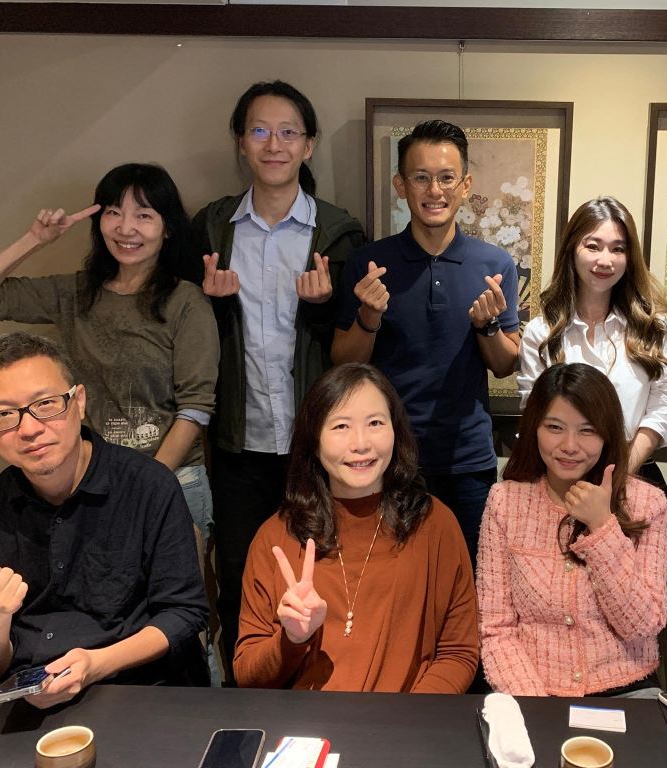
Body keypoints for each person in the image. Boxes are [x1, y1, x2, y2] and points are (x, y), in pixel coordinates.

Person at [178, 81, 365, 673]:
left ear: (308, 145)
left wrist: (324, 307)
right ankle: (248, 694)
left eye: (288, 132)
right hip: (241, 441)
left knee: (327, 571)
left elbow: (357, 346)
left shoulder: (339, 232)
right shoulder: (212, 228)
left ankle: (324, 687)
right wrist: (212, 306)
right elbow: (185, 331)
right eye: (260, 130)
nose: (274, 144)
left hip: (317, 441)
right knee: (239, 576)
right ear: (241, 142)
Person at [0, 163, 220, 559]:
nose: (126, 228)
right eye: (114, 212)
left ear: (167, 228)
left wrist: (146, 483)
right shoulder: (75, 293)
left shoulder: (186, 301)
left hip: (173, 478)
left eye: (144, 215)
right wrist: (36, 239)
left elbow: (195, 408)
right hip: (90, 481)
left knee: (176, 595)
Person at [0, 333, 209, 706]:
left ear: (78, 401)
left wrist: (96, 664)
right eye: (3, 415)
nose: (29, 429)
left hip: (142, 689)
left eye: (45, 404)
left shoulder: (147, 485)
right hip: (26, 701)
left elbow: (183, 612)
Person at [332, 119, 520, 564]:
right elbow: (343, 363)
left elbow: (505, 364)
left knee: (469, 577)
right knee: (390, 578)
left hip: (468, 460)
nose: (434, 190)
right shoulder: (369, 262)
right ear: (401, 185)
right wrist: (369, 317)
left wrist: (487, 327)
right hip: (387, 456)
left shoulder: (494, 265)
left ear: (465, 185)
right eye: (420, 177)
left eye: (446, 177)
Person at [235, 363, 478, 692]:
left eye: (375, 423)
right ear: (314, 440)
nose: (361, 443)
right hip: (305, 723)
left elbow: (458, 653)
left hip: (407, 719)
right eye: (341, 426)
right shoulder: (277, 536)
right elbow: (247, 675)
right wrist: (292, 638)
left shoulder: (434, 524)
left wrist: (410, 717)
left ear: (396, 430)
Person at [478, 363, 667, 697]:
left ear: (607, 434)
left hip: (626, 689)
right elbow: (496, 628)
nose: (569, 445)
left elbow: (643, 625)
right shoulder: (505, 502)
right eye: (554, 427)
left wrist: (603, 527)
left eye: (587, 430)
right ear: (534, 427)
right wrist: (537, 706)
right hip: (532, 691)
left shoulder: (647, 503)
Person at [518, 196, 667, 495]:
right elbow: (534, 410)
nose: (605, 260)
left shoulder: (652, 328)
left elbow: (663, 406)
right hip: (561, 479)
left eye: (618, 249)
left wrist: (620, 473)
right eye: (593, 246)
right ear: (572, 249)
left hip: (635, 477)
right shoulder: (541, 333)